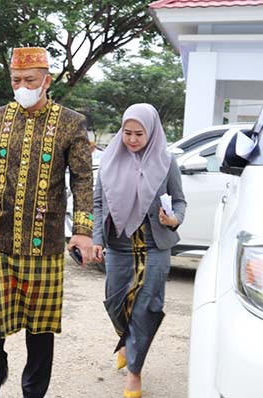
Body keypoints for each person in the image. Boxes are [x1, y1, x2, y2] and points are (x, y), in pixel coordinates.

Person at [0, 47, 94, 398]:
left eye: (29, 80)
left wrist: (83, 231)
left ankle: (33, 391)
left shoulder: (72, 122)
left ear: (47, 81)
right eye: (16, 80)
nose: (22, 86)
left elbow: (83, 179)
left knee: (40, 328)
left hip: (45, 239)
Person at [90, 103, 186, 398]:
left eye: (139, 134)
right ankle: (125, 339)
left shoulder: (166, 161)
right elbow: (97, 204)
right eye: (127, 133)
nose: (131, 139)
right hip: (119, 245)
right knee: (115, 303)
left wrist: (174, 220)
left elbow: (180, 202)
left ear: (152, 132)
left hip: (155, 246)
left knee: (147, 308)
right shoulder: (109, 160)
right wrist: (96, 239)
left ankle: (135, 372)